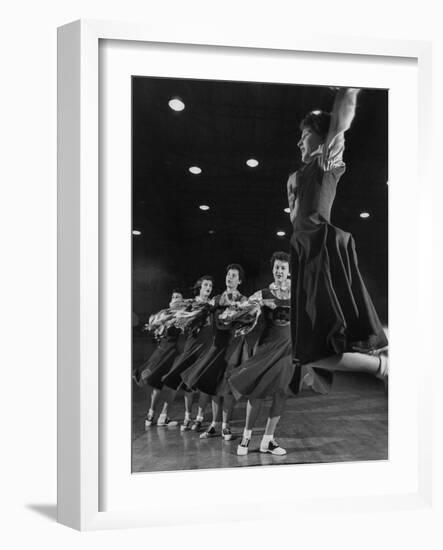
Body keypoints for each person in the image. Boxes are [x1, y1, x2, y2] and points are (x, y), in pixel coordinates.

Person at [287, 87, 388, 395]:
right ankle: (383, 354)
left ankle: (384, 361)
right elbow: (296, 218)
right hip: (304, 252)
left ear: (320, 137)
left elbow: (340, 124)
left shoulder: (325, 162)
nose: (299, 142)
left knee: (318, 348)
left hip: (323, 248)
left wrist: (348, 89)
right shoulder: (299, 175)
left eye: (304, 135)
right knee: (308, 354)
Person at [229, 252, 294, 456]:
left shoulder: (298, 292)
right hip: (266, 348)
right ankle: (247, 437)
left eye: (283, 267)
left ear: (289, 271)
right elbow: (241, 308)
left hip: (288, 349)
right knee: (257, 393)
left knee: (281, 393)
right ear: (272, 270)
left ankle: (268, 440)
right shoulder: (262, 293)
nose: (280, 271)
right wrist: (261, 304)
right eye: (277, 267)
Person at [181, 264, 248, 441]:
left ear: (239, 280)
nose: (230, 277)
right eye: (228, 275)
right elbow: (201, 313)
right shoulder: (216, 299)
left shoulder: (244, 300)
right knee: (213, 386)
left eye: (234, 275)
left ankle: (226, 426)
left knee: (227, 389)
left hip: (233, 349)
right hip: (216, 347)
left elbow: (248, 321)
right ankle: (214, 425)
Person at [161, 276, 214, 432]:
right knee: (188, 384)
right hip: (192, 346)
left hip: (207, 347)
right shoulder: (190, 303)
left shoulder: (213, 304)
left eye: (211, 285)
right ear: (200, 286)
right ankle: (187, 416)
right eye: (206, 284)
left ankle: (199, 418)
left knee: (204, 384)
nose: (208, 287)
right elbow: (176, 313)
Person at [138, 290, 186, 428]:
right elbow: (155, 331)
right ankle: (151, 414)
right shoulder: (163, 314)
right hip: (163, 352)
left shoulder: (184, 315)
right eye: (174, 297)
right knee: (157, 384)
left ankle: (162, 416)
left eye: (178, 297)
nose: (175, 299)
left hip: (176, 353)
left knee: (172, 385)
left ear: (182, 302)